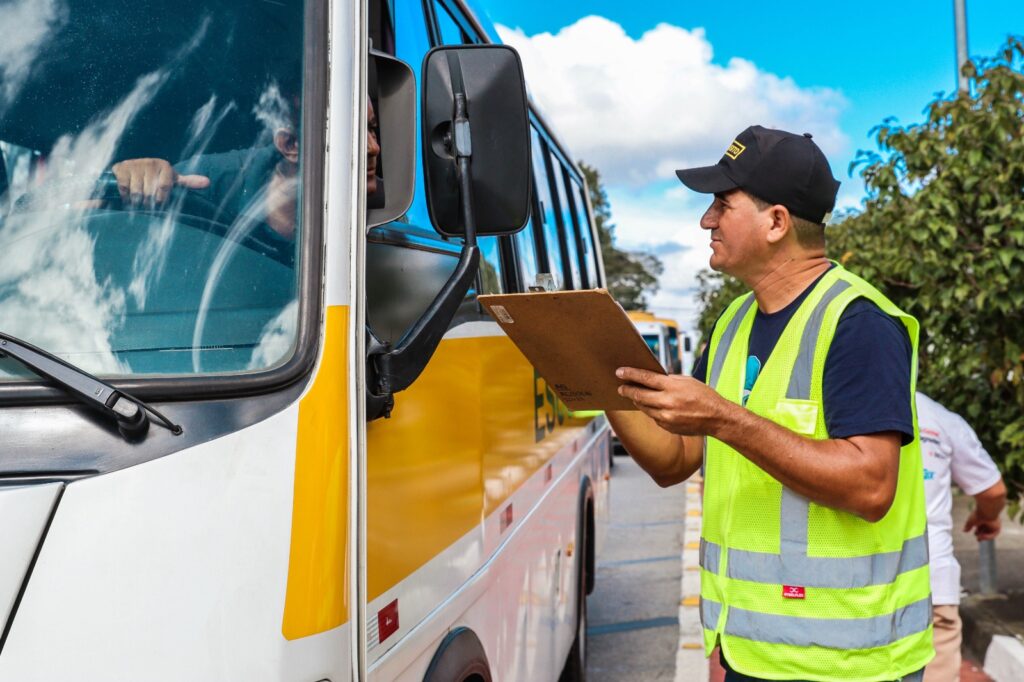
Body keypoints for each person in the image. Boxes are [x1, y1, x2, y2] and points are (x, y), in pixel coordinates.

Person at [609, 126, 933, 681]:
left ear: (777, 222)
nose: (706, 220)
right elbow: (675, 460)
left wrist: (723, 417)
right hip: (750, 652)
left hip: (849, 664)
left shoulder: (859, 324)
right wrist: (598, 382)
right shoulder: (732, 324)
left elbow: (872, 487)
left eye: (721, 203)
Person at [111, 98, 381, 239]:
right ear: (289, 144)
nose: (373, 148)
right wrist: (135, 178)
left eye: (371, 128)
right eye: (352, 132)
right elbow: (88, 217)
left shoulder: (390, 209)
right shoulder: (210, 181)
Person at [917, 391, 1007, 682]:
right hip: (932, 582)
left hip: (858, 589)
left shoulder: (846, 407)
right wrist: (986, 516)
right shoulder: (939, 418)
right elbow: (993, 491)